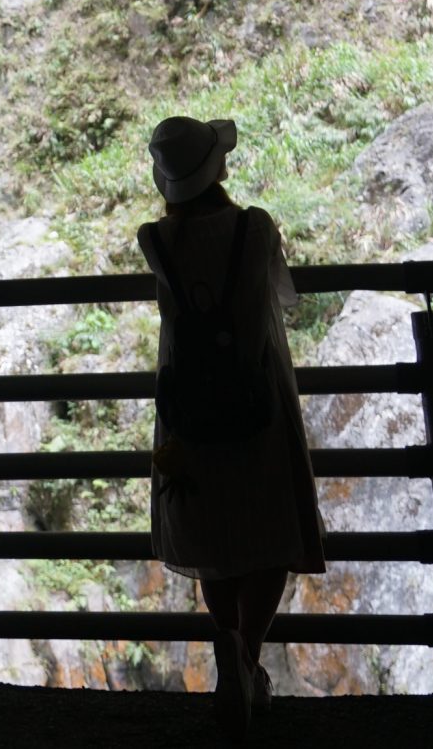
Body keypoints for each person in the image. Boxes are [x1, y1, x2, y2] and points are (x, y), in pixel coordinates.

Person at [138, 114, 325, 741]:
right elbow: (285, 299)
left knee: (212, 538)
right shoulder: (255, 227)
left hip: (188, 408)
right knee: (268, 531)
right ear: (219, 169)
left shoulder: (154, 240)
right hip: (257, 398)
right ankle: (245, 664)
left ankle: (235, 664)